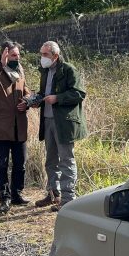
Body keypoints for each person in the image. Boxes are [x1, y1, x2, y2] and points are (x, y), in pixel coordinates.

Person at [33, 40, 87, 210]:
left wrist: (57, 98)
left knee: (66, 160)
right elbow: (44, 93)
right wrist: (36, 101)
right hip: (48, 121)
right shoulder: (45, 71)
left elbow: (79, 93)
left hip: (63, 123)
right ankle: (53, 194)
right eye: (41, 54)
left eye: (45, 54)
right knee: (50, 160)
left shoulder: (68, 69)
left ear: (55, 55)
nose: (42, 58)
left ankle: (68, 199)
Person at [0, 41, 32, 214]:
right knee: (1, 165)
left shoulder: (20, 70)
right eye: (13, 55)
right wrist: (0, 65)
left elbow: (26, 91)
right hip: (0, 127)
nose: (17, 58)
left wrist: (27, 102)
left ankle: (17, 194)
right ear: (4, 55)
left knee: (20, 163)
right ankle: (5, 198)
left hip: (19, 126)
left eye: (18, 55)